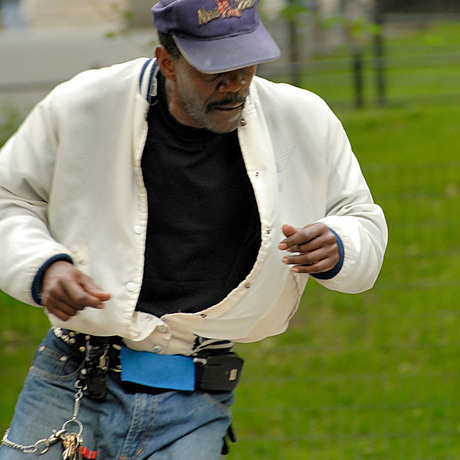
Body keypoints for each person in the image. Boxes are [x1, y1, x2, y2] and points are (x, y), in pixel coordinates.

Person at [0, 0, 387, 458]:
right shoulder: (84, 105)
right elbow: (9, 197)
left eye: (245, 64)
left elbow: (360, 217)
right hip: (71, 379)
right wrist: (43, 268)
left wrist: (341, 245)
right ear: (167, 61)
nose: (236, 84)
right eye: (214, 69)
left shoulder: (303, 118)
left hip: (198, 394)